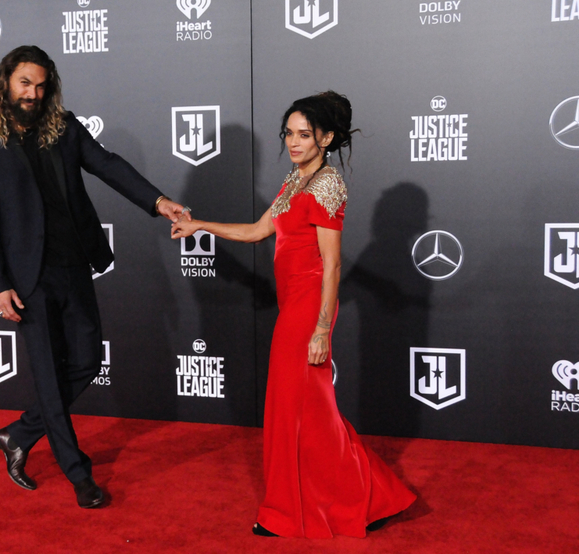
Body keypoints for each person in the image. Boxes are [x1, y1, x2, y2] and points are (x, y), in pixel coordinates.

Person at [171, 92, 415, 538]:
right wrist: (199, 224)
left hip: (308, 312)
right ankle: (367, 495)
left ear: (327, 137)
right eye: (289, 133)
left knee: (294, 411)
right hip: (294, 308)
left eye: (305, 134)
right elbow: (257, 232)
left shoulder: (326, 184)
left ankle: (290, 511)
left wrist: (322, 328)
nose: (294, 142)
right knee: (308, 412)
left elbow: (333, 263)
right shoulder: (293, 182)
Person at [0, 45, 188, 509]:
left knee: (85, 361)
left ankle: (19, 435)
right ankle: (78, 474)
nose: (34, 92)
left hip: (73, 266)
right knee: (48, 374)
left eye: (42, 84)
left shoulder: (63, 127)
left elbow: (108, 165)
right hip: (27, 278)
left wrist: (158, 201)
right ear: (5, 82)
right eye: (25, 82)